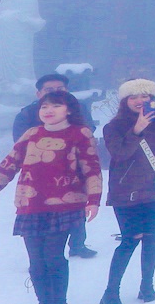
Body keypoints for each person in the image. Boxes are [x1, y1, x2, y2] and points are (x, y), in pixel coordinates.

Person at [0, 90, 102, 304]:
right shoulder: (31, 135)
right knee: (36, 263)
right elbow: (6, 168)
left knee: (53, 258)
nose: (48, 111)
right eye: (44, 107)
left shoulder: (79, 134)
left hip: (65, 205)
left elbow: (92, 169)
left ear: (68, 109)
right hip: (30, 206)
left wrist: (94, 199)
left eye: (55, 106)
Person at [99, 79, 155, 304]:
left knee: (152, 237)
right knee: (130, 239)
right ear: (125, 102)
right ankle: (110, 292)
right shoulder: (113, 127)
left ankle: (147, 286)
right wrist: (136, 130)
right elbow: (119, 153)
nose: (139, 101)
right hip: (126, 190)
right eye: (133, 97)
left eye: (145, 96)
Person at [12, 73, 98, 258]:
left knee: (75, 204)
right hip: (39, 177)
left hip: (73, 170)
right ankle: (42, 259)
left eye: (60, 89)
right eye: (49, 90)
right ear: (38, 93)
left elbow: (89, 129)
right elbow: (19, 147)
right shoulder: (27, 114)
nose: (55, 93)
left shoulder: (78, 108)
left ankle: (77, 244)